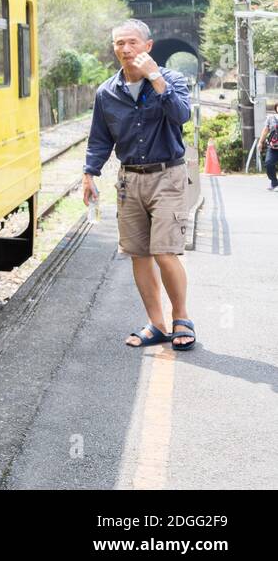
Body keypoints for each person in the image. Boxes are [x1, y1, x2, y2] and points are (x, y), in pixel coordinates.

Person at [81, 20, 196, 350]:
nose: (125, 49)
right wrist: (90, 174)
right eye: (119, 43)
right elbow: (99, 139)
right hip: (129, 180)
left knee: (164, 251)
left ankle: (182, 318)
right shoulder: (107, 92)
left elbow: (181, 115)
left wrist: (156, 79)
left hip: (168, 176)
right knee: (138, 254)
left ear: (147, 46)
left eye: (132, 42)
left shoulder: (170, 80)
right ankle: (157, 323)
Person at [263, 102, 278, 191]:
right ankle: (274, 182)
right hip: (273, 147)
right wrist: (260, 143)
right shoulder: (271, 118)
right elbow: (265, 131)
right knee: (268, 164)